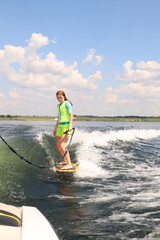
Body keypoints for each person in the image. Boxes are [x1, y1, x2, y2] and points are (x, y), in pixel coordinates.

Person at [53, 90, 73, 170]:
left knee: (62, 145)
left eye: (60, 97)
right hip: (60, 127)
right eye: (57, 98)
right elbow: (58, 118)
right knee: (57, 146)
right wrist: (55, 128)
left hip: (66, 126)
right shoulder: (58, 106)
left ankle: (69, 164)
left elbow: (71, 115)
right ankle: (65, 160)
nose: (59, 99)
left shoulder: (67, 103)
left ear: (64, 96)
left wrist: (70, 125)